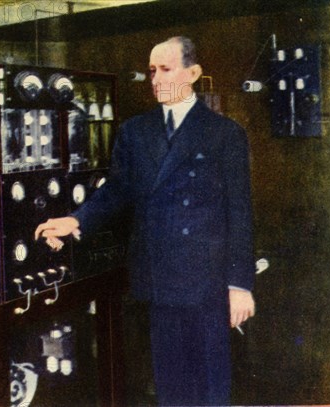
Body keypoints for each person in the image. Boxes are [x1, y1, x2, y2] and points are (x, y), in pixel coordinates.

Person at [34, 36, 256, 406]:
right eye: (152, 71)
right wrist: (75, 221)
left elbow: (240, 212)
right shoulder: (136, 132)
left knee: (209, 387)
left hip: (207, 285)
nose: (155, 79)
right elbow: (116, 192)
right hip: (158, 280)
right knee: (170, 385)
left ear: (194, 73)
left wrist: (240, 285)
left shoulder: (224, 134)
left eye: (166, 70)